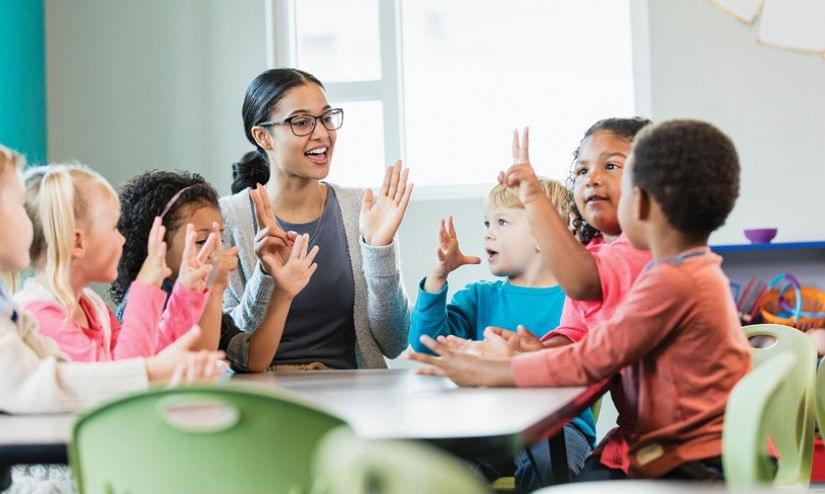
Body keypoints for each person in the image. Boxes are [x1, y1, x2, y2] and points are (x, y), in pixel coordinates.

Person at [409, 119, 751, 481]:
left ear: (644, 201)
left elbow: (595, 357)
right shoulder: (689, 271)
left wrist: (492, 371)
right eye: (582, 171)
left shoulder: (671, 281)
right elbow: (590, 343)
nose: (592, 182)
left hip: (692, 459)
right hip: (684, 448)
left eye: (622, 176)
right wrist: (538, 353)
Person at [221, 68, 411, 370]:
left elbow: (394, 343)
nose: (322, 133)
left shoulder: (359, 209)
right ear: (263, 136)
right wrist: (266, 276)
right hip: (268, 400)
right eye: (301, 122)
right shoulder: (228, 219)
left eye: (326, 118)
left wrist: (379, 251)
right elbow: (230, 349)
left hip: (354, 396)